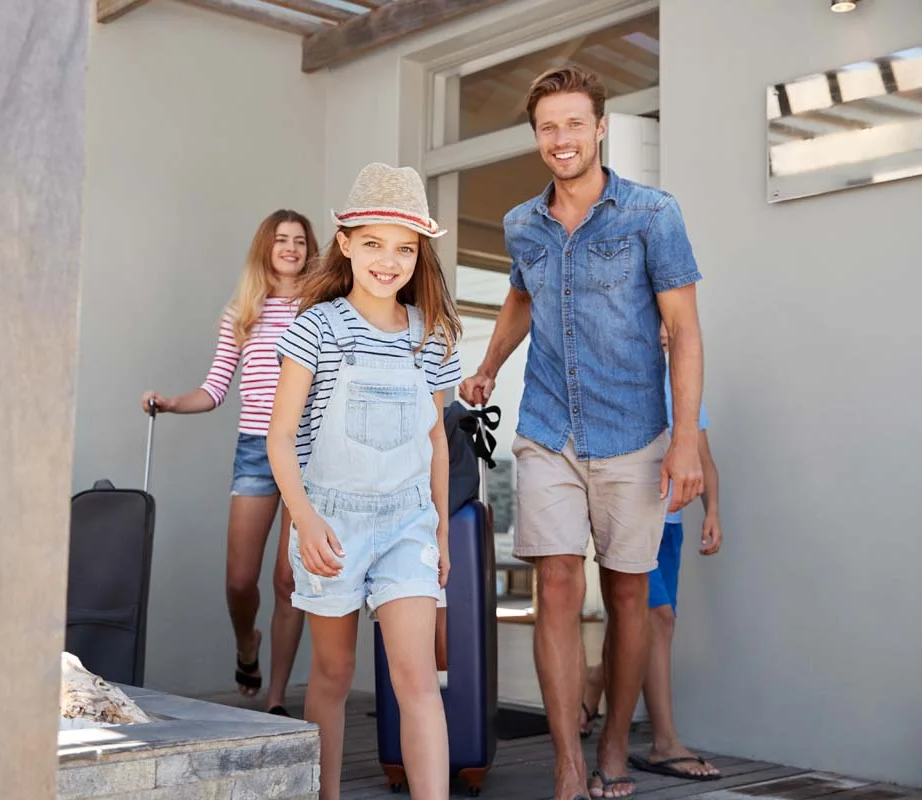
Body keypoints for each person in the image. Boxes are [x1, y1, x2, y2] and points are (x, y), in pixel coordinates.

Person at [460, 65, 706, 800]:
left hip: (633, 429)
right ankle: (568, 762)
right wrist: (487, 364)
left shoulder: (652, 214)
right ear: (536, 136)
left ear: (600, 127)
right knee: (556, 582)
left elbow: (685, 332)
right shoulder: (521, 224)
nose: (560, 139)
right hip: (547, 427)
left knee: (630, 594)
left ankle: (613, 749)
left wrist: (687, 437)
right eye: (547, 127)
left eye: (574, 124)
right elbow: (519, 299)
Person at [268, 163, 462, 800]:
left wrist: (440, 535)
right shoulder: (315, 328)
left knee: (417, 679)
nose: (389, 261)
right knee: (332, 671)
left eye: (404, 248)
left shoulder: (430, 336)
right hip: (332, 522)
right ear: (345, 243)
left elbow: (436, 441)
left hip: (408, 523)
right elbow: (280, 440)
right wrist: (304, 519)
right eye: (374, 244)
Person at [142, 209, 318, 716]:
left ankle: (278, 699)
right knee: (241, 580)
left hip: (309, 453)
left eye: (300, 241)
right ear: (266, 248)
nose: (290, 248)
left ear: (310, 251)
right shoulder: (243, 312)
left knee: (289, 581)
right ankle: (248, 645)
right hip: (257, 450)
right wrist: (173, 402)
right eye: (281, 240)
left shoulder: (323, 307)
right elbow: (216, 388)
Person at [580, 323, 723, 782]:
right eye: (653, 320)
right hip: (630, 518)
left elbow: (702, 456)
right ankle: (665, 742)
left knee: (653, 626)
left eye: (667, 323)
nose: (661, 331)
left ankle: (597, 679)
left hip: (672, 528)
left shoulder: (684, 387)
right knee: (655, 621)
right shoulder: (616, 377)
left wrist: (713, 511)